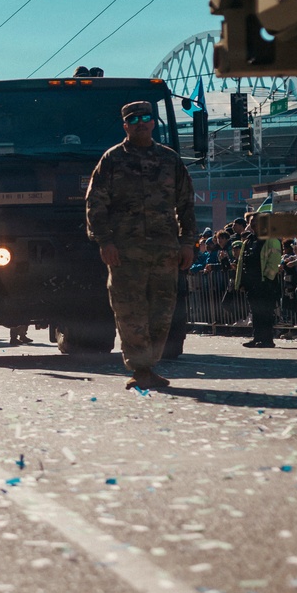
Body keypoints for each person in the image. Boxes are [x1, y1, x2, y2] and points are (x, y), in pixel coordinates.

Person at [86, 100, 196, 390]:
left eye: (145, 118)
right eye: (133, 120)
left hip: (165, 252)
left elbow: (186, 204)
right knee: (129, 311)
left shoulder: (170, 160)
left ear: (153, 123)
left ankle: (150, 365)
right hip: (125, 253)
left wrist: (187, 243)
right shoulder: (112, 160)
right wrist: (105, 241)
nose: (140, 124)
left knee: (162, 312)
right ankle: (140, 368)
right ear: (125, 126)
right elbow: (96, 203)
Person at [234, 212, 282, 348]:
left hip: (266, 283)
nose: (254, 225)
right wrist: (241, 282)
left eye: (257, 222)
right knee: (255, 312)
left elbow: (274, 261)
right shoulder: (248, 241)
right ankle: (257, 338)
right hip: (252, 284)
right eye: (251, 222)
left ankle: (267, 340)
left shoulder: (271, 239)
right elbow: (242, 262)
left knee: (266, 312)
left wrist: (267, 279)